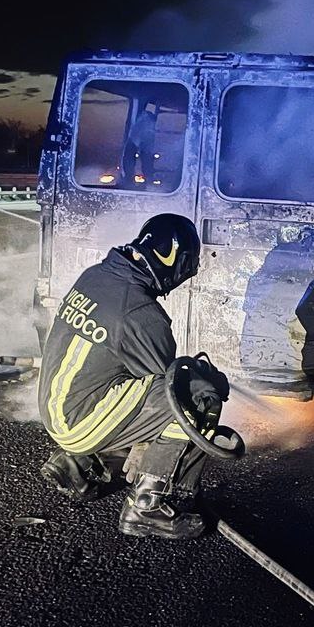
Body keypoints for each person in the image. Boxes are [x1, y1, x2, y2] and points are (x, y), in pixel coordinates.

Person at [37, 213, 230, 540]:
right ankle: (148, 506)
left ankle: (80, 464)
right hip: (79, 422)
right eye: (187, 267)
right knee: (199, 395)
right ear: (173, 261)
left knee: (130, 389)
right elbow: (172, 393)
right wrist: (147, 450)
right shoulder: (141, 313)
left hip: (55, 411)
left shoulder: (97, 275)